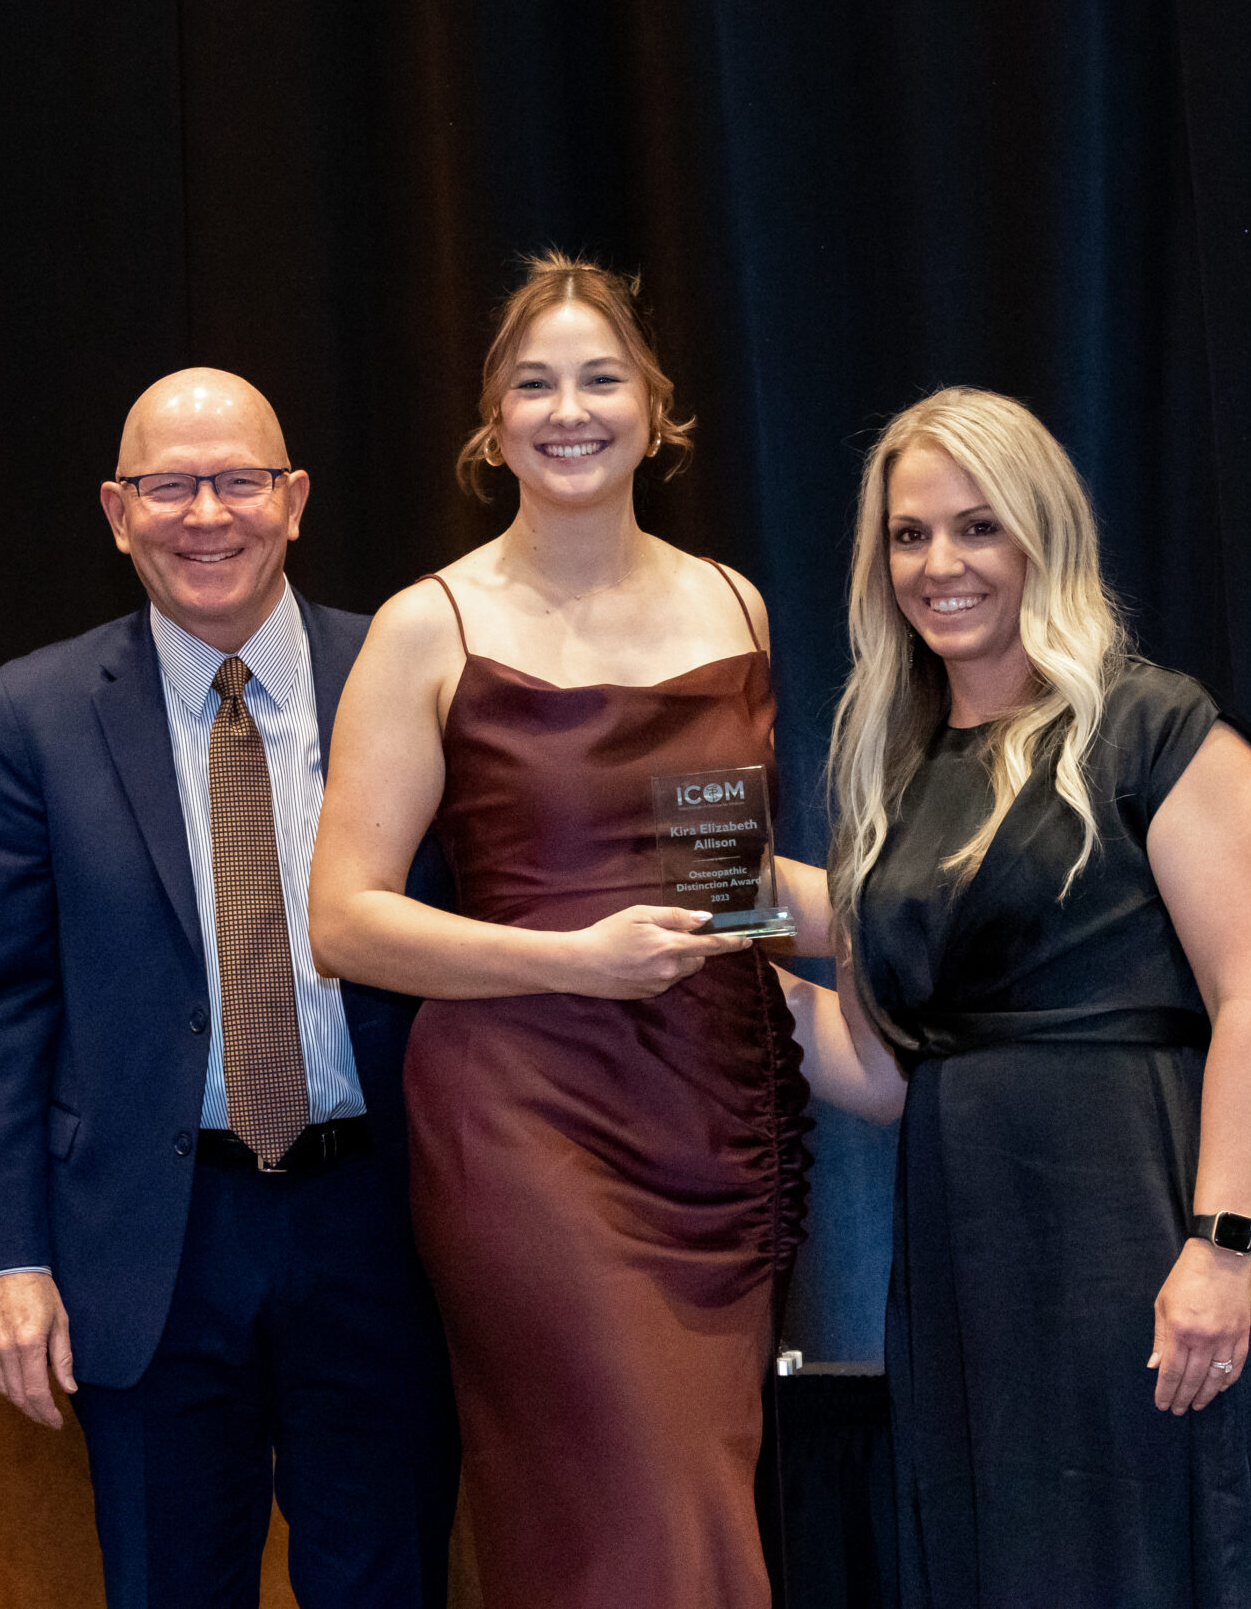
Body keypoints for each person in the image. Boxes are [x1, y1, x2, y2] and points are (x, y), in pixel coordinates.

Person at [312, 254, 860, 1607]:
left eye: (601, 379)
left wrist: (915, 912)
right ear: (492, 424)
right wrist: (572, 961)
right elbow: (345, 921)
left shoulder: (733, 603)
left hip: (712, 1115)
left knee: (696, 1494)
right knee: (637, 1502)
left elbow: (728, 880)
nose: (570, 410)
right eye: (534, 384)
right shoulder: (427, 625)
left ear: (656, 411)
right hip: (523, 1122)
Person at [0, 369, 459, 1608]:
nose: (206, 515)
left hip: (379, 1222)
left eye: (238, 481)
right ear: (117, 512)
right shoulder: (36, 712)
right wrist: (4, 1259)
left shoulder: (403, 675)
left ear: (296, 499)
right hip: (149, 1244)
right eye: (170, 487)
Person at [818, 386, 1251, 1604]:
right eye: (909, 534)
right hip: (966, 1253)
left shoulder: (1153, 729)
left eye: (977, 526)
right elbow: (880, 1073)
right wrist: (718, 960)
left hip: (1130, 1224)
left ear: (1045, 533)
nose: (939, 565)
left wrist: (1220, 1251)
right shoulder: (896, 772)